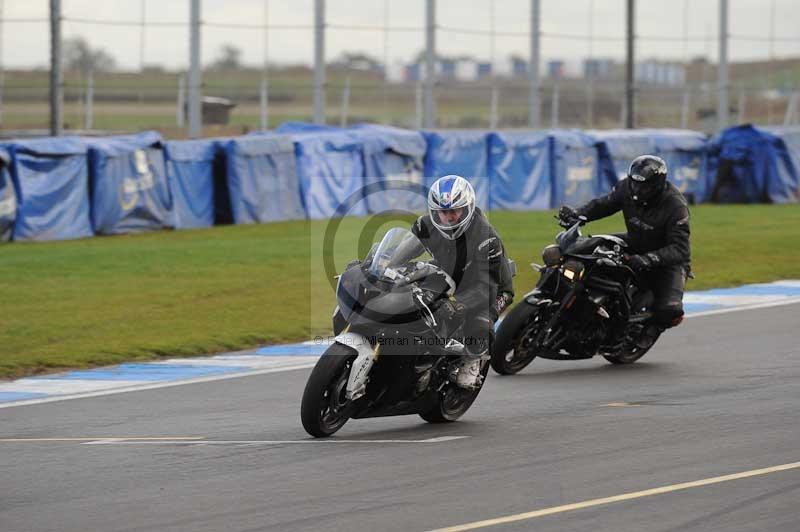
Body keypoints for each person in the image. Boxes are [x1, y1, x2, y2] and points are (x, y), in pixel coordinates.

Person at [558, 155, 691, 349]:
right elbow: (603, 205)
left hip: (666, 260)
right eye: (634, 184)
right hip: (634, 242)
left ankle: (651, 329)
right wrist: (578, 215)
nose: (637, 190)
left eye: (643, 186)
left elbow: (680, 249)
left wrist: (647, 259)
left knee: (670, 309)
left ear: (657, 185)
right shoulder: (626, 188)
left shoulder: (675, 206)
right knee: (585, 248)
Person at [412, 175, 513, 389]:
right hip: (450, 274)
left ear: (466, 209)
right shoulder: (424, 225)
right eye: (443, 212)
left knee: (479, 321)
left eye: (454, 211)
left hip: (491, 286)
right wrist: (378, 264)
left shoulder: (486, 236)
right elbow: (403, 251)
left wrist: (457, 304)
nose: (449, 218)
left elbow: (486, 286)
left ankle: (472, 360)